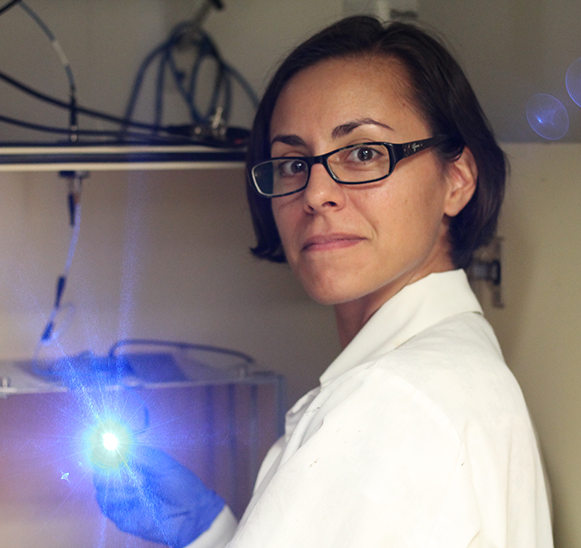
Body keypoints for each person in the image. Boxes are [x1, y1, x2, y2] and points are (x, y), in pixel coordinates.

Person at [94, 15, 553, 548]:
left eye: (362, 153)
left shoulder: (391, 401)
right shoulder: (455, 363)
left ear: (457, 180)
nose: (314, 193)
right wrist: (210, 532)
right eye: (292, 163)